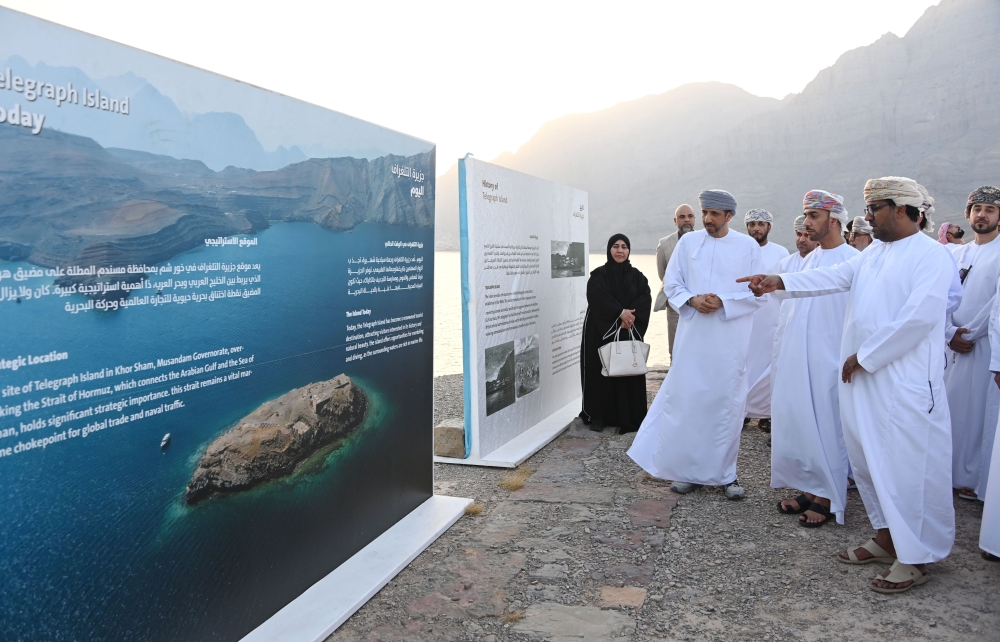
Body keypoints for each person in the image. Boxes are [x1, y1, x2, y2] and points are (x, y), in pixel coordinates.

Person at [740, 176, 955, 593]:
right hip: (864, 379)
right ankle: (886, 538)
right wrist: (779, 281)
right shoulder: (873, 252)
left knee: (906, 467)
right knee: (869, 462)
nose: (867, 216)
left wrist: (865, 356)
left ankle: (916, 556)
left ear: (902, 209)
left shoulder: (931, 255)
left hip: (905, 383)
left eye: (875, 208)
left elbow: (919, 319)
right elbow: (834, 276)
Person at [628, 189, 764, 500]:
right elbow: (672, 283)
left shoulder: (746, 246)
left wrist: (724, 301)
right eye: (705, 213)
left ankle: (726, 475)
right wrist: (692, 299)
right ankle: (688, 472)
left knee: (726, 404)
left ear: (729, 216)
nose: (707, 219)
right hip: (692, 339)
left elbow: (758, 294)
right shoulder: (688, 243)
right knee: (689, 402)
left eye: (714, 214)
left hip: (730, 342)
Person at [771, 191, 858, 527]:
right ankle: (811, 488)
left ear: (834, 220)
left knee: (829, 427)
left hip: (831, 358)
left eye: (813, 216)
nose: (806, 223)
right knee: (804, 425)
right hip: (799, 355)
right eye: (805, 216)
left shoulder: (852, 259)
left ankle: (828, 497)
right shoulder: (809, 259)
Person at [945, 186, 1000, 503]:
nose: (982, 214)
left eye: (990, 209)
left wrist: (968, 333)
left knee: (979, 411)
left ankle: (973, 478)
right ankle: (951, 474)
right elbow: (940, 296)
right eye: (977, 209)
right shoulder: (956, 254)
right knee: (952, 410)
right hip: (952, 345)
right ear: (968, 214)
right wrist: (949, 332)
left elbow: (996, 304)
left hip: (985, 345)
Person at [579, 234, 652, 433]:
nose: (620, 250)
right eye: (615, 246)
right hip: (600, 331)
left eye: (624, 247)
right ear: (609, 249)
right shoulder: (598, 276)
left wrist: (629, 317)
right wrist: (620, 313)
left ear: (629, 250)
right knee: (599, 372)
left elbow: (645, 298)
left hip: (628, 329)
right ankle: (598, 416)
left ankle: (628, 415)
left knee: (627, 371)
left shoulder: (637, 277)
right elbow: (597, 297)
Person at [743, 209, 789, 432]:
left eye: (761, 224)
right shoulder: (740, 250)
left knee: (769, 366)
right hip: (745, 317)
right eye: (752, 224)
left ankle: (766, 414)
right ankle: (742, 411)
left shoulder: (781, 253)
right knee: (744, 364)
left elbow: (786, 286)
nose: (756, 228)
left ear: (769, 227)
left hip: (772, 318)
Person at [654, 204, 696, 360]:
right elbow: (663, 274)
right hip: (675, 304)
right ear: (675, 220)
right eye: (682, 217)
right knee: (675, 347)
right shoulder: (665, 243)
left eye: (690, 216)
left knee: (698, 346)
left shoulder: (704, 240)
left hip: (700, 304)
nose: (686, 220)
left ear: (694, 219)